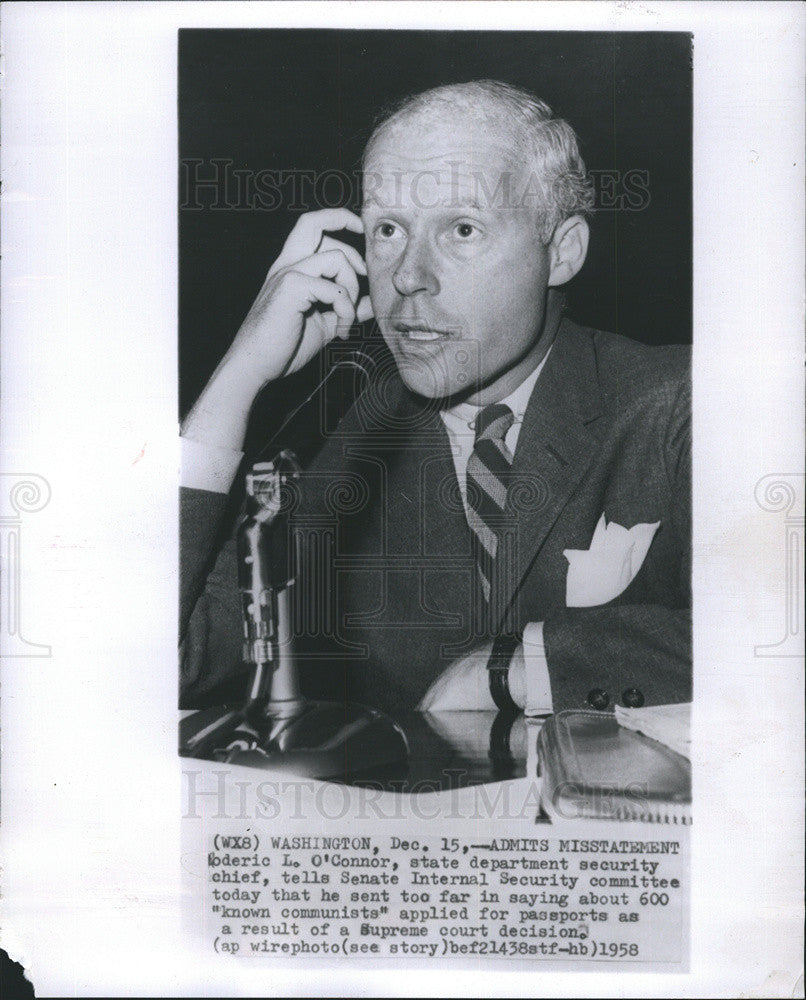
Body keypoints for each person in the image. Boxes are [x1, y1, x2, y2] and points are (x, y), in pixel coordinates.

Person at [179, 80, 691, 719]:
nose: (407, 276)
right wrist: (239, 376)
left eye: (463, 229)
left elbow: (767, 646)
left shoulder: (678, 408)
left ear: (561, 253)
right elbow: (161, 659)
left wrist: (522, 665)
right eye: (388, 228)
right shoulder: (338, 440)